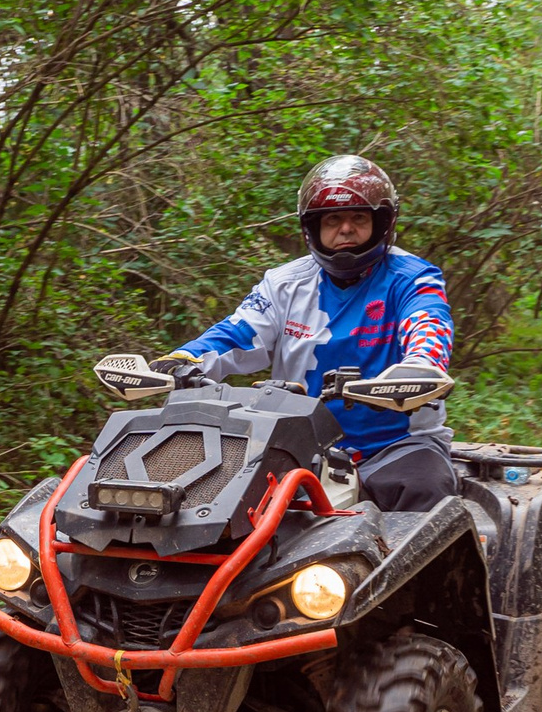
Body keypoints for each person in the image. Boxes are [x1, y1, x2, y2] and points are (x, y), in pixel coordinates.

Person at [155, 155, 457, 513]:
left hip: (397, 447)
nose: (346, 229)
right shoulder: (284, 284)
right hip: (299, 448)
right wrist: (184, 359)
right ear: (312, 227)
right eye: (333, 220)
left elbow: (428, 322)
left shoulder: (412, 277)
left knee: (424, 490)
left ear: (382, 223)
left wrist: (422, 364)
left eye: (359, 218)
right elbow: (238, 332)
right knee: (219, 508)